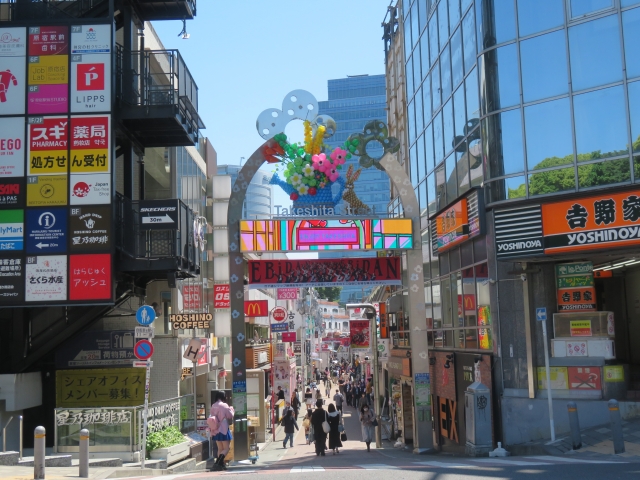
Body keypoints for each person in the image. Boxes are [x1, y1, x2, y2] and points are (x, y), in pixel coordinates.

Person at [209, 391, 235, 470]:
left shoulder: (213, 405)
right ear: (223, 397)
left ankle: (221, 464)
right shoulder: (224, 405)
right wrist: (231, 409)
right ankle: (218, 463)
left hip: (215, 429)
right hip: (223, 428)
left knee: (220, 448)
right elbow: (230, 416)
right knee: (227, 448)